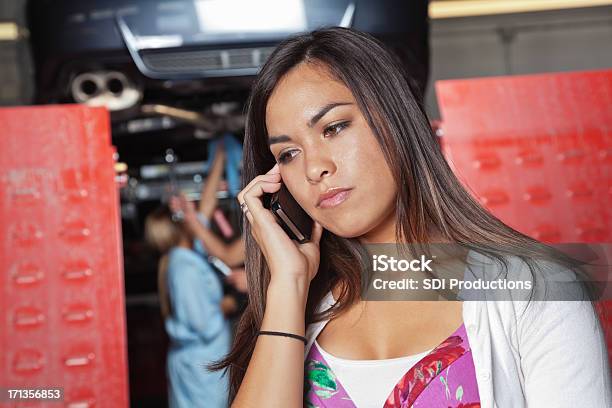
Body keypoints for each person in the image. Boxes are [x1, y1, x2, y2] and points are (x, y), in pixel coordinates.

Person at [209, 27, 611, 407]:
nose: (314, 168)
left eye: (334, 127)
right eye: (288, 154)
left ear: (395, 119)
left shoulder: (533, 293)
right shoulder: (293, 315)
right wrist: (288, 285)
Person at [144, 206, 233, 408]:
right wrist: (228, 304)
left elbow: (204, 210)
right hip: (202, 368)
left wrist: (216, 171)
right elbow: (204, 324)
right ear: (181, 227)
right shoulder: (185, 269)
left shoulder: (183, 259)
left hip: (195, 363)